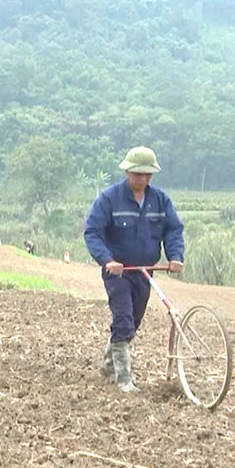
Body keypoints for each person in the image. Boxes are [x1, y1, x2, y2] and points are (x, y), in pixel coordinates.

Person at [83, 146, 185, 392]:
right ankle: (124, 380)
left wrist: (175, 256)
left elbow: (173, 229)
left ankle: (108, 364)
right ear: (128, 171)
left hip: (145, 271)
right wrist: (107, 260)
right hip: (118, 271)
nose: (143, 179)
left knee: (133, 322)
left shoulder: (160, 200)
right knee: (123, 320)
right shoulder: (109, 199)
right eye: (138, 174)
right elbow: (93, 232)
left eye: (148, 175)